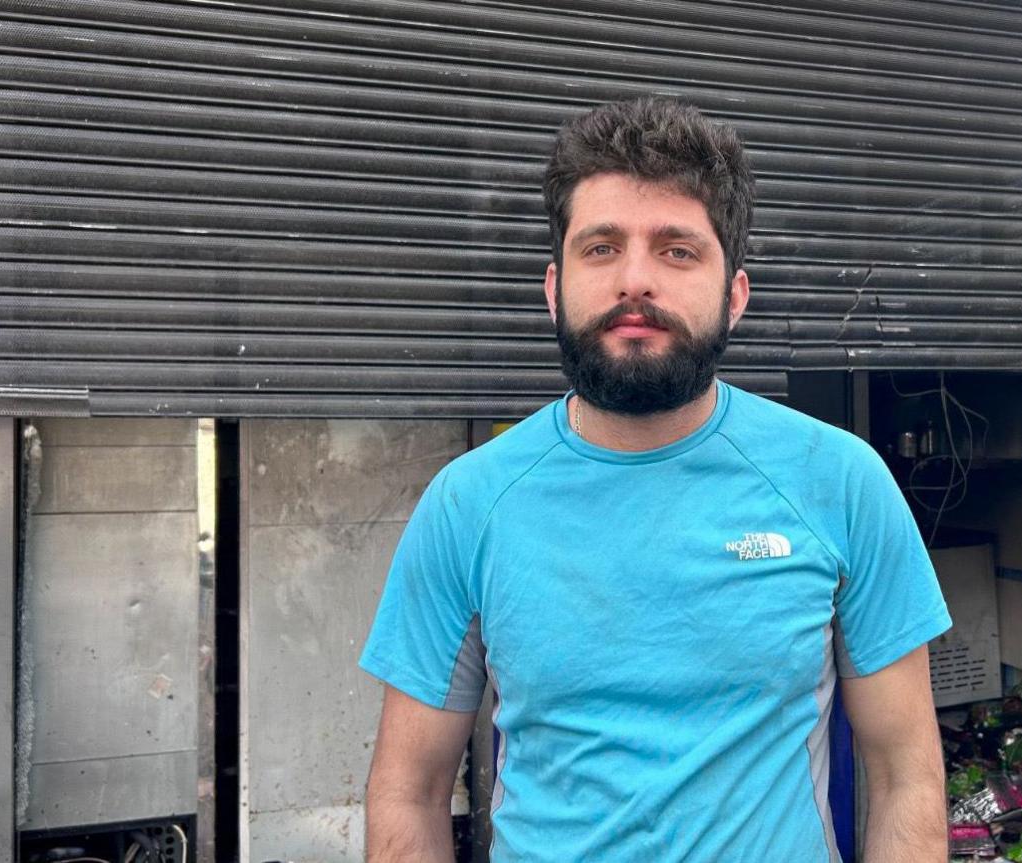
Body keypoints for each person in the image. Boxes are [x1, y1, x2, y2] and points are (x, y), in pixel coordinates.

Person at [359, 97, 951, 862]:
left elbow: (906, 777)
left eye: (677, 250)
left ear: (735, 295)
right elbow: (408, 791)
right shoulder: (467, 504)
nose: (635, 280)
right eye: (602, 247)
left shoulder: (840, 483)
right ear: (554, 287)